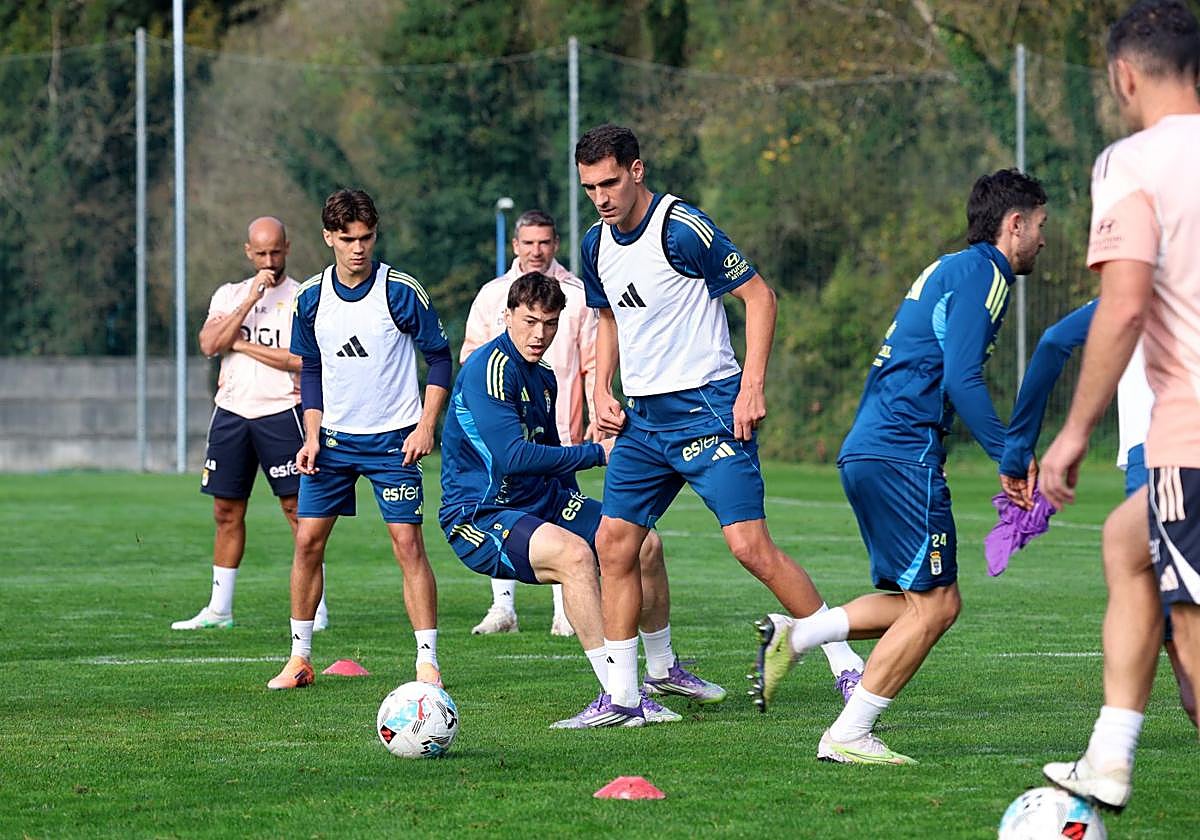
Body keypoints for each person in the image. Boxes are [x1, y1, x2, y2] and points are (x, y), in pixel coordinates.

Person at [575, 123, 865, 727]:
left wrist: (751, 385)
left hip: (706, 406)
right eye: (589, 188)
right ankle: (626, 700)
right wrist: (602, 387)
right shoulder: (593, 244)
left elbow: (760, 297)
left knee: (749, 548)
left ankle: (847, 665)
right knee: (614, 544)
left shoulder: (682, 228)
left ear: (636, 170)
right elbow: (606, 318)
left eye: (609, 183)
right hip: (644, 421)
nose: (601, 198)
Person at [755, 169, 1049, 764]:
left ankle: (801, 633)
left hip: (872, 449)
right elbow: (963, 378)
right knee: (938, 606)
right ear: (1013, 225)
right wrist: (1010, 456)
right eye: (1040, 226)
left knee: (917, 604)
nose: (1043, 240)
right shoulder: (987, 275)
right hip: (901, 454)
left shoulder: (951, 268)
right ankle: (848, 735)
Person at [1038, 0, 1200, 810]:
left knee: (1198, 650)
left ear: (1123, 75)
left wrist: (1071, 432)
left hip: (1194, 438)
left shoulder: (1133, 162)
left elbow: (1125, 305)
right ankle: (1110, 755)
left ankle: (1110, 759)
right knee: (1124, 543)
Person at [440, 271, 724, 727]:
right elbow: (512, 456)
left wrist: (581, 500)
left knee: (641, 543)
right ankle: (616, 697)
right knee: (574, 556)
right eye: (530, 321)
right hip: (481, 512)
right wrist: (597, 452)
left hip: (543, 500)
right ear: (508, 315)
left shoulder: (545, 376)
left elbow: (552, 453)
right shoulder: (489, 370)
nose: (540, 334)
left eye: (550, 323)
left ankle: (661, 670)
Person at [266, 189, 452, 691]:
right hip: (331, 443)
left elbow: (439, 358)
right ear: (328, 237)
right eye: (347, 239)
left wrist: (425, 424)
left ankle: (427, 662)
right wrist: (310, 436)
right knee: (307, 541)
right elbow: (312, 371)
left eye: (366, 238)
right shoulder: (310, 298)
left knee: (407, 544)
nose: (358, 249)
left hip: (394, 441)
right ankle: (299, 658)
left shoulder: (400, 291)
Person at [999, 302, 1196, 728]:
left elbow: (1055, 341)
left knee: (1177, 633)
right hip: (1169, 449)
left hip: (1167, 451)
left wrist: (1021, 447)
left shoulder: (1148, 280)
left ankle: (1111, 753)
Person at [172, 216, 329, 632]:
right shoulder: (229, 294)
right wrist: (248, 302)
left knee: (299, 511)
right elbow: (208, 344)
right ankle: (219, 609)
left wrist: (241, 343)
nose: (269, 260)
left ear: (288, 247)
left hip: (283, 412)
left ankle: (317, 605)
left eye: (275, 251)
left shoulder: (303, 296)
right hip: (232, 413)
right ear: (248, 252)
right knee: (225, 511)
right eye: (260, 253)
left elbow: (302, 360)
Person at [460, 209, 598, 637]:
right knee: (510, 499)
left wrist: (596, 417)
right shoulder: (493, 294)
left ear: (554, 244)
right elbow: (471, 355)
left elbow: (593, 362)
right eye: (529, 243)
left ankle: (566, 610)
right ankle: (503, 607)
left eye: (544, 243)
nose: (537, 250)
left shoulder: (577, 293)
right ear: (516, 246)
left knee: (625, 537)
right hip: (503, 430)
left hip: (560, 422)